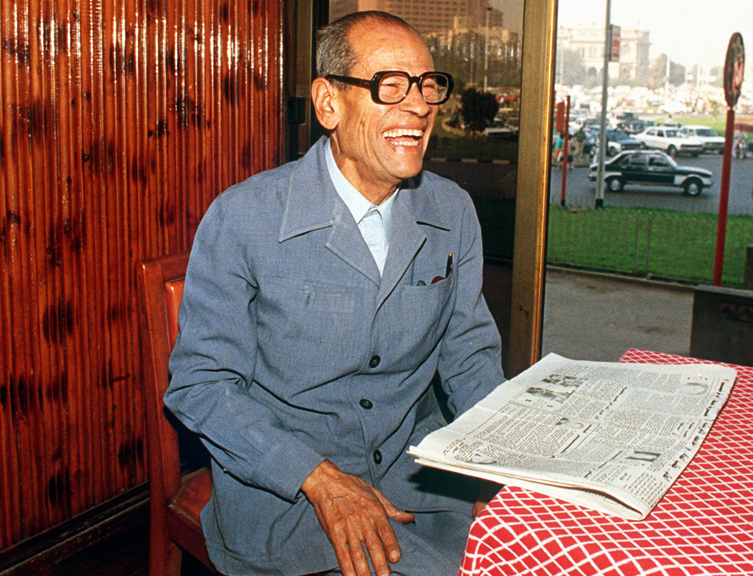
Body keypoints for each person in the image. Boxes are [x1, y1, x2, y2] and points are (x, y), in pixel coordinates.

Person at [164, 11, 505, 576]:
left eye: (426, 85)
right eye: (389, 86)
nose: (419, 107)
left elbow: (470, 358)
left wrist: (508, 464)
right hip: (288, 492)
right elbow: (201, 388)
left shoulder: (453, 212)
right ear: (328, 104)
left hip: (415, 478)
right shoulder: (244, 217)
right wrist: (322, 480)